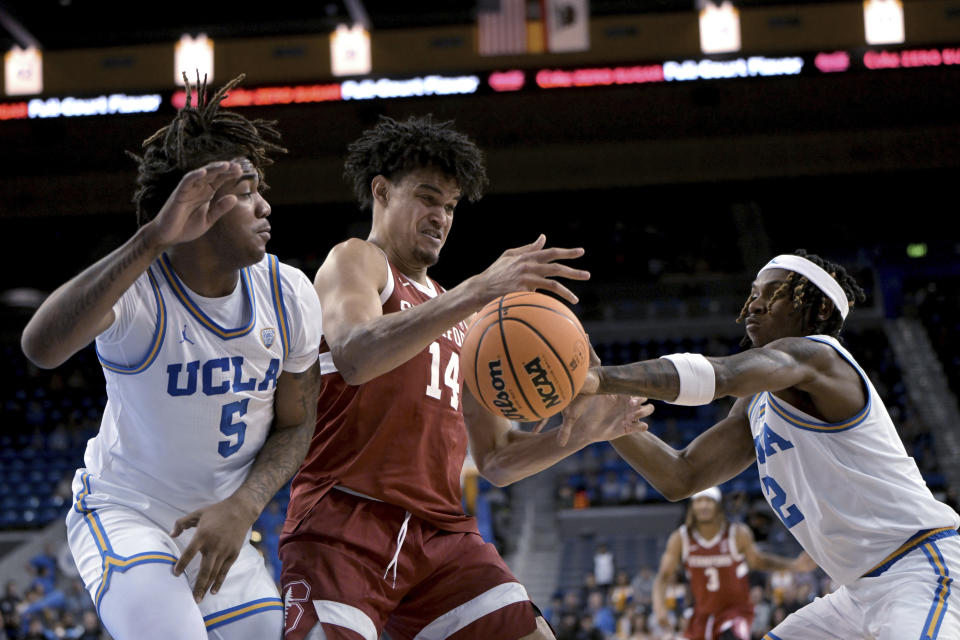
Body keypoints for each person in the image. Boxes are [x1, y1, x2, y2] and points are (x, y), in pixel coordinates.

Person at [279, 115, 652, 640]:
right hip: (343, 521)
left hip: (439, 535)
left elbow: (496, 459)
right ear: (381, 192)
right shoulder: (357, 262)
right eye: (428, 198)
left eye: (450, 207)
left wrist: (576, 437)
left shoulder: (467, 321)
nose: (441, 217)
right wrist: (477, 292)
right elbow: (356, 354)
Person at [20, 74, 322, 640]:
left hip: (220, 523)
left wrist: (246, 504)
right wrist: (154, 237)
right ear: (201, 205)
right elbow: (41, 347)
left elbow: (298, 422)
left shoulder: (289, 294)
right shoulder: (139, 293)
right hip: (128, 513)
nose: (265, 205)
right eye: (249, 190)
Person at [569, 249, 960, 639]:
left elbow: (722, 374)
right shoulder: (756, 402)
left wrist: (600, 379)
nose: (754, 304)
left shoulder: (822, 359)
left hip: (919, 569)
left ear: (820, 308)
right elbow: (681, 476)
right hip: (856, 593)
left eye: (773, 293)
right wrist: (617, 425)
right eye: (752, 293)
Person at [652, 486, 814, 640]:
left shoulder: (737, 533)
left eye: (708, 501)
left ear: (718, 506)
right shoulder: (681, 538)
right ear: (692, 507)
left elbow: (759, 561)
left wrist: (794, 565)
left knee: (730, 635)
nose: (703, 506)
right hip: (703, 614)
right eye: (699, 501)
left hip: (736, 612)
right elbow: (663, 577)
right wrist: (660, 609)